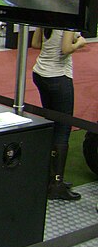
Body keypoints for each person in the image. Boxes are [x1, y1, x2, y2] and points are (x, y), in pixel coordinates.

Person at [31, 27, 86, 201]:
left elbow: (35, 44)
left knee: (53, 126)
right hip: (58, 77)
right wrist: (80, 42)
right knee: (63, 130)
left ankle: (50, 176)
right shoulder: (68, 22)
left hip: (40, 73)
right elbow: (66, 49)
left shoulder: (47, 20)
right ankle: (56, 185)